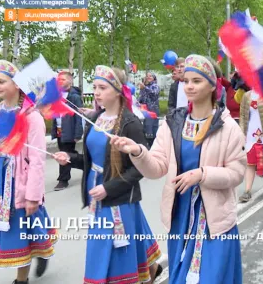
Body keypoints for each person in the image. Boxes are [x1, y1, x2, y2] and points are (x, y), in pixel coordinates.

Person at [109, 55, 245, 284]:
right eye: (186, 80)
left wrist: (203, 174)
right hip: (180, 216)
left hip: (213, 219)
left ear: (212, 85)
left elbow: (237, 173)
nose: (189, 86)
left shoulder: (227, 126)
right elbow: (157, 167)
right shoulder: (173, 122)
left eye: (197, 81)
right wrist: (138, 152)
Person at [53, 66, 163, 283]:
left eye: (102, 87)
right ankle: (151, 270)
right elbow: (92, 160)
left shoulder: (130, 124)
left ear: (117, 91)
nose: (96, 92)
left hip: (117, 198)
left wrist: (108, 188)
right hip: (96, 196)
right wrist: (69, 157)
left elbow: (141, 168)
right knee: (109, 246)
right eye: (94, 87)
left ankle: (142, 273)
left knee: (115, 251)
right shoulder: (96, 118)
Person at [0, 60, 56, 284]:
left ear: (16, 84)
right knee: (5, 228)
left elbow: (38, 160)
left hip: (19, 180)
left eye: (1, 81)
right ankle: (39, 249)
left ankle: (21, 279)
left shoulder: (31, 116)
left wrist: (33, 196)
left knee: (22, 231)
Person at [238, 88, 263, 202]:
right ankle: (247, 191)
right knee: (250, 163)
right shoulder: (246, 96)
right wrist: (242, 132)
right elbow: (243, 116)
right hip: (250, 134)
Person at [52, 71, 84, 191]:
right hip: (60, 130)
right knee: (67, 152)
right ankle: (84, 163)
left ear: (70, 81)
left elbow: (79, 116)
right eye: (58, 80)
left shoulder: (74, 97)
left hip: (69, 130)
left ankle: (63, 180)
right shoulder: (57, 96)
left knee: (64, 154)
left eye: (63, 79)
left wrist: (78, 133)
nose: (60, 82)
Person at [139, 72, 161, 147]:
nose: (148, 77)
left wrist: (144, 88)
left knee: (153, 129)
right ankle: (148, 146)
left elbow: (154, 93)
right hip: (145, 111)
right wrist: (142, 90)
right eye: (147, 76)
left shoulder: (155, 86)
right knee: (146, 129)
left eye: (150, 76)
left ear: (154, 78)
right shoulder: (145, 86)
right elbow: (141, 98)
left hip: (153, 110)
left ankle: (154, 146)